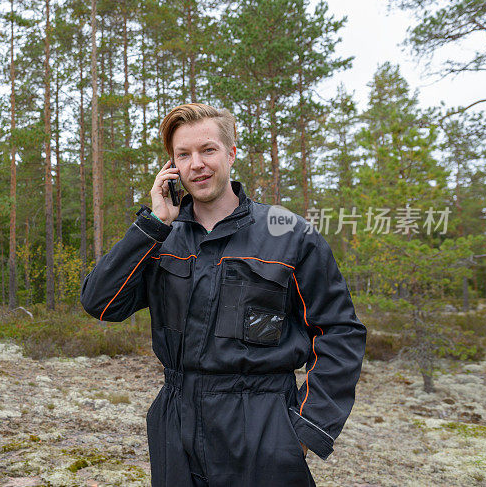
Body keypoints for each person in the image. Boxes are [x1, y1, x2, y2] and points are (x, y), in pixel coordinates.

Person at [81, 103, 366, 486]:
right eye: (183, 154)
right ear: (172, 167)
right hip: (175, 425)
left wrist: (304, 428)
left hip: (260, 427)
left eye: (208, 150)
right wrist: (151, 226)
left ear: (231, 153)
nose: (196, 164)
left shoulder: (290, 235)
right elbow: (100, 304)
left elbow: (340, 332)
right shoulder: (161, 237)